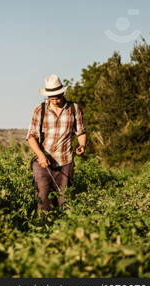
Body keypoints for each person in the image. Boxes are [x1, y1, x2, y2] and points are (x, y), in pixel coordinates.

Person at [26, 74, 87, 211]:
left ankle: (63, 229)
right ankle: (43, 227)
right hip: (43, 163)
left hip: (65, 161)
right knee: (43, 198)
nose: (55, 101)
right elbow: (31, 137)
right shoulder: (39, 110)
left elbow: (81, 132)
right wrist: (41, 155)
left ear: (62, 93)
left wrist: (82, 145)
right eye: (51, 98)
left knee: (64, 200)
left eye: (57, 97)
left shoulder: (74, 109)